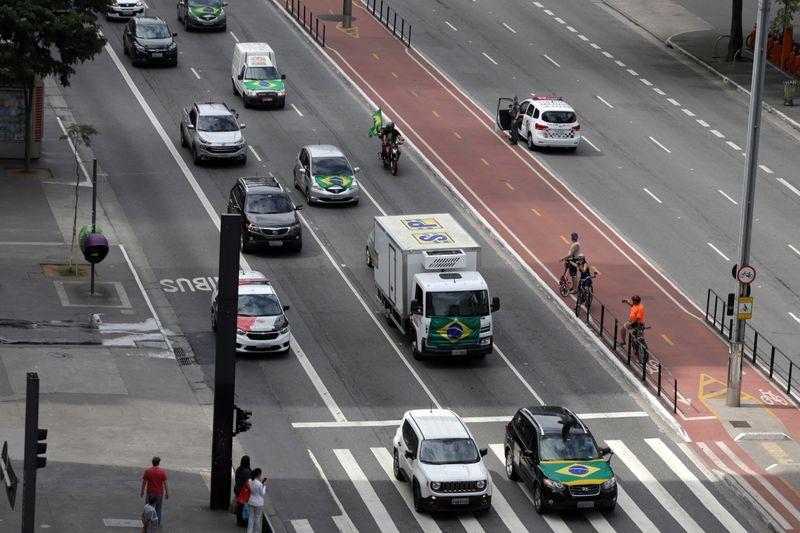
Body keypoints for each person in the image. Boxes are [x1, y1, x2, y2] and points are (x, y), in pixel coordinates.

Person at [140, 457, 168, 525]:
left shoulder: (148, 471)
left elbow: (144, 482)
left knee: (148, 507)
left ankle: (147, 521)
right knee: (158, 507)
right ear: (159, 463)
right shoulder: (162, 471)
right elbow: (165, 483)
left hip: (150, 492)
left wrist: (142, 491)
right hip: (159, 493)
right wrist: (167, 492)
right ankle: (157, 522)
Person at [247, 468, 267, 533]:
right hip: (258, 503)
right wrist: (264, 486)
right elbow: (262, 493)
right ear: (258, 474)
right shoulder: (259, 484)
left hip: (251, 500)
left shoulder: (249, 481)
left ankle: (249, 531)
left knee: (251, 517)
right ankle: (256, 531)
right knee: (257, 518)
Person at [234, 456, 251, 527]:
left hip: (238, 490)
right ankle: (244, 522)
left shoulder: (239, 469)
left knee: (240, 506)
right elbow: (249, 482)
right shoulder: (247, 471)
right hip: (244, 491)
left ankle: (239, 521)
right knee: (245, 507)